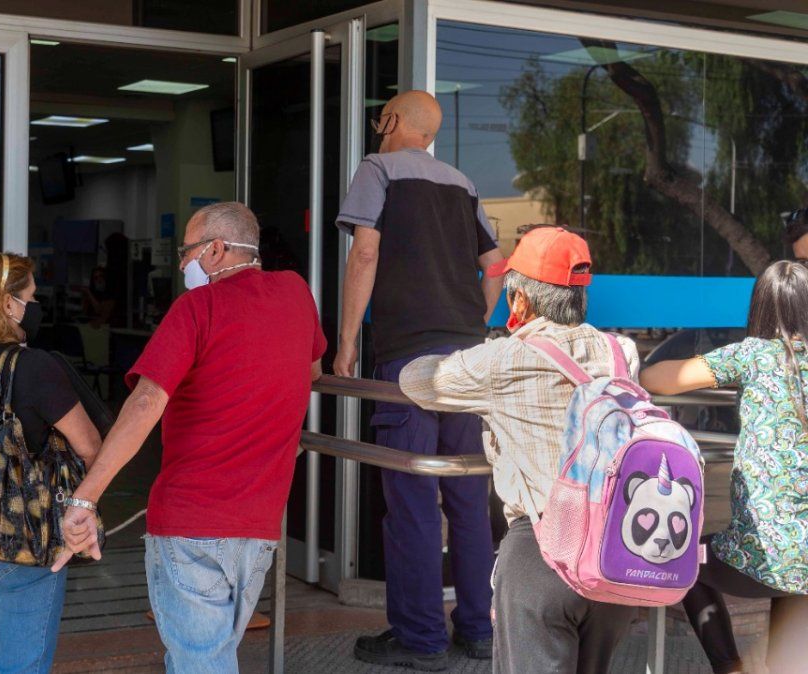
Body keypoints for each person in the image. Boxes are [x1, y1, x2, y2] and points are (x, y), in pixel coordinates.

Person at [51, 202, 326, 673]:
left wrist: (85, 498)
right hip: (258, 527)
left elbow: (145, 403)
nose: (181, 265)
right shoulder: (296, 294)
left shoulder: (197, 308)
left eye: (186, 252)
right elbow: (313, 368)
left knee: (201, 663)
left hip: (190, 525)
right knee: (213, 657)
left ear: (216, 249)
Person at [397, 226, 639, 673]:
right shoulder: (620, 352)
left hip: (543, 555)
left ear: (520, 301)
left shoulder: (504, 359)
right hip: (615, 558)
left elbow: (416, 380)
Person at [335, 89, 503, 669]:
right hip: (468, 359)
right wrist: (476, 322)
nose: (376, 124)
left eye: (379, 115)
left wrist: (347, 342)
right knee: (468, 498)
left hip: (408, 359)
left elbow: (364, 254)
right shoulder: (462, 183)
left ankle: (421, 638)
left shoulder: (377, 169)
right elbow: (495, 265)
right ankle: (478, 630)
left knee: (411, 501)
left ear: (394, 121)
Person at [0, 251, 102, 674]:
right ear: (7, 304)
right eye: (30, 297)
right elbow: (89, 446)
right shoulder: (33, 367)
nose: (35, 306)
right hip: (23, 542)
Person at [641, 259, 808, 674]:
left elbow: (659, 378)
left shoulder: (753, 354)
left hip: (766, 553)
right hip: (801, 559)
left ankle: (729, 667)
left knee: (683, 558)